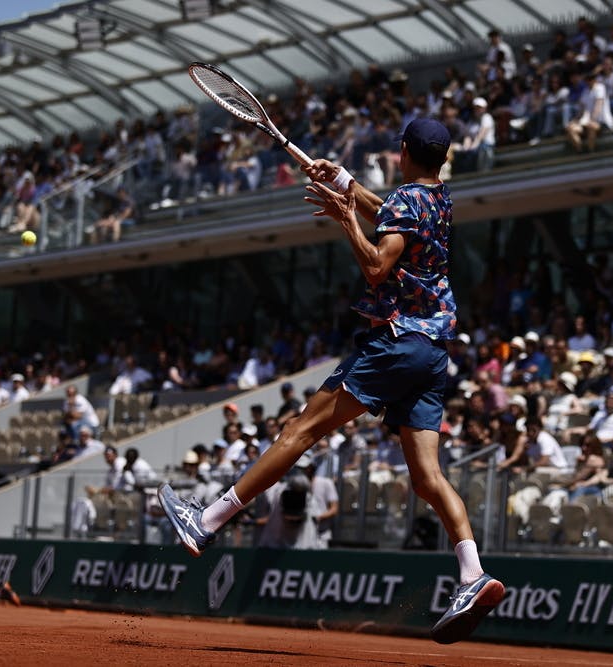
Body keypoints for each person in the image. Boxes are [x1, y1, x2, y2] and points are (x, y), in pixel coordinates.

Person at [156, 118, 504, 645]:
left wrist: (346, 219)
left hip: (395, 343)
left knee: (300, 431)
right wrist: (344, 182)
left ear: (402, 149)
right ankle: (472, 576)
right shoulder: (439, 198)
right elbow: (392, 214)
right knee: (427, 478)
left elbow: (377, 267)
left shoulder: (406, 199)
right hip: (434, 352)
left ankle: (206, 521)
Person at [258, 454, 339, 549]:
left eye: (304, 468)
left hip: (306, 544)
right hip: (276, 544)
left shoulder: (312, 493)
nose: (300, 472)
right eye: (297, 468)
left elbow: (327, 511)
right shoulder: (279, 490)